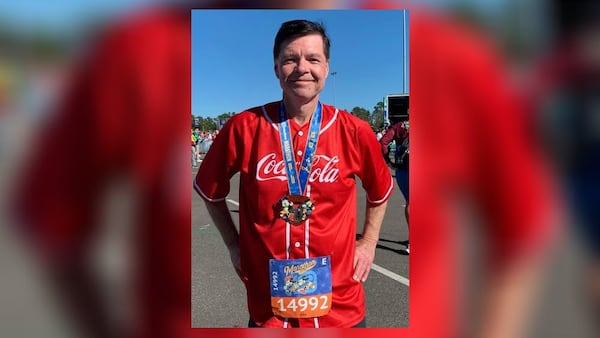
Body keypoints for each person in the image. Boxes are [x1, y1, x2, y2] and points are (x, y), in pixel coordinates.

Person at [193, 19, 394, 328]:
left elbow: (380, 190)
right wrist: (234, 245)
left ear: (326, 68)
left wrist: (368, 243)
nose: (302, 67)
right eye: (290, 59)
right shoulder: (244, 127)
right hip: (269, 308)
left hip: (340, 307)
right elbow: (211, 190)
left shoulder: (355, 130)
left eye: (313, 59)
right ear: (276, 68)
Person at [379, 119, 409, 253]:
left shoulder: (399, 126)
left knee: (410, 203)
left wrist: (389, 162)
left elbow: (383, 142)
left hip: (403, 169)